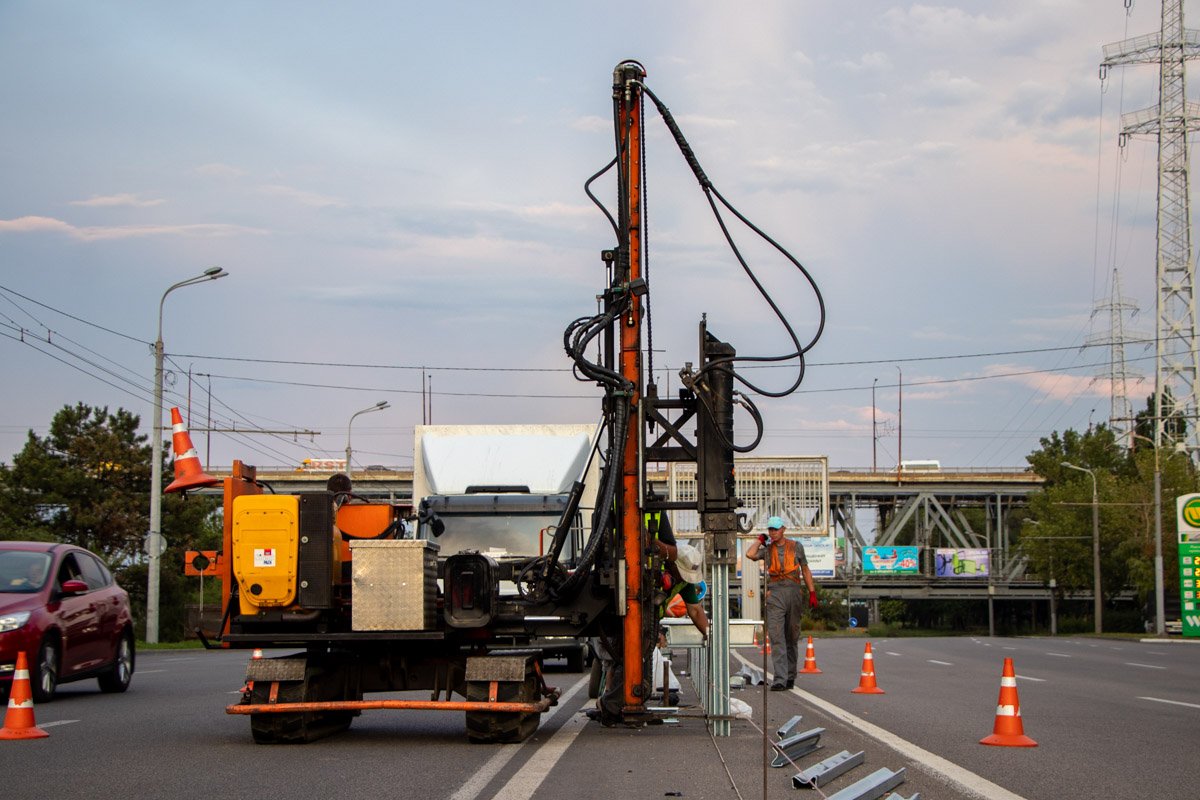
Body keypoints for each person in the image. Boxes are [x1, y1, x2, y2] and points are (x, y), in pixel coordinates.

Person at [745, 515, 818, 690]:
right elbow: (750, 554)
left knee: (791, 636)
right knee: (777, 637)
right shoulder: (767, 549)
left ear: (783, 529)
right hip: (775, 593)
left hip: (793, 591)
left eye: (776, 529)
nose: (773, 532)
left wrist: (812, 592)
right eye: (770, 529)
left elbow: (805, 570)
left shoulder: (796, 547)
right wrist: (759, 540)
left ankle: (790, 676)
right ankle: (780, 679)